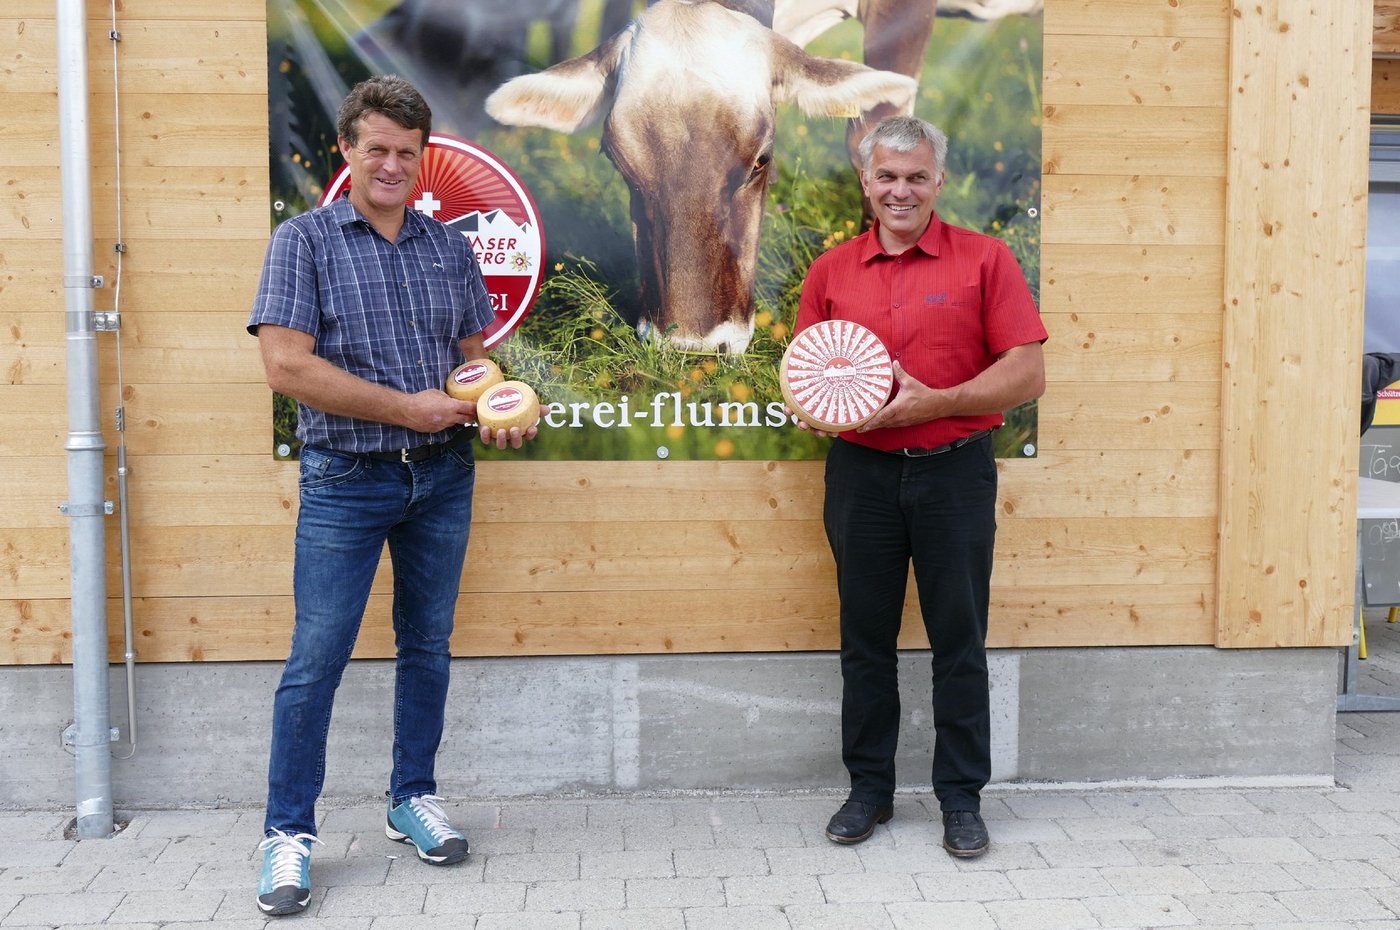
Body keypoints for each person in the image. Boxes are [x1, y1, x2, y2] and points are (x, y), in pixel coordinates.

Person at [246, 74, 537, 916]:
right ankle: (288, 836)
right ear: (346, 149)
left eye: (408, 152)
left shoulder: (448, 247)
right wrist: (407, 408)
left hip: (443, 476)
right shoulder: (303, 241)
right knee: (316, 660)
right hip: (346, 479)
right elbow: (286, 366)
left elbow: (473, 359)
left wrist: (497, 407)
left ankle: (412, 798)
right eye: (376, 148)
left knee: (428, 646)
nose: (392, 164)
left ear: (424, 158)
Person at [793, 115, 1047, 858]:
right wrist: (810, 408)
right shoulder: (830, 273)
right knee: (864, 641)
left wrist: (934, 400)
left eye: (915, 177)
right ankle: (869, 789)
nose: (900, 190)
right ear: (866, 183)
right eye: (887, 177)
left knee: (958, 640)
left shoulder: (985, 260)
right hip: (861, 477)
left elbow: (1028, 372)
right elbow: (805, 375)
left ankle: (961, 797)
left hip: (955, 472)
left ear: (939, 181)